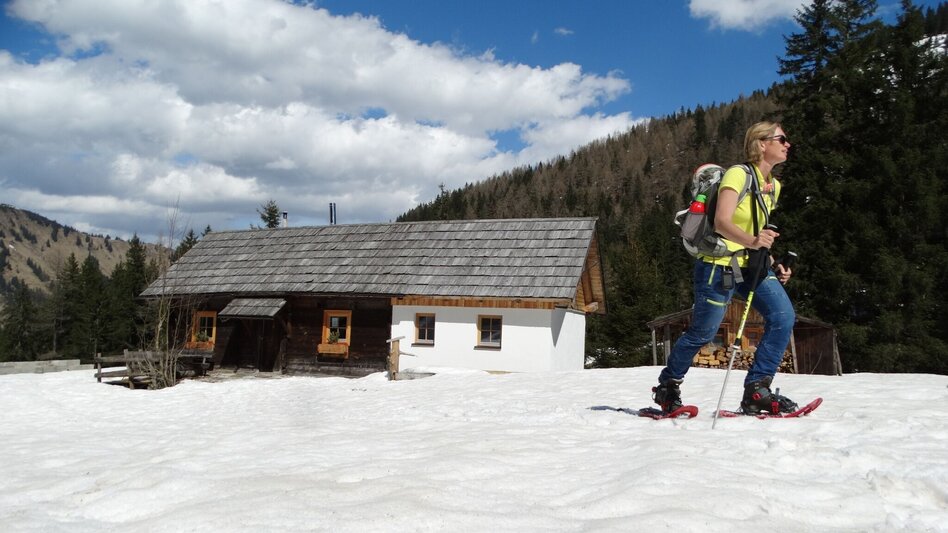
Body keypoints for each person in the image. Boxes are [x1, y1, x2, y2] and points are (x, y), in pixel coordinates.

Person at [653, 121, 797, 415]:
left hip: (752, 265)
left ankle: (757, 390)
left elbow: (757, 234)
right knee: (703, 333)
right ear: (761, 144)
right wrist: (756, 242)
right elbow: (722, 222)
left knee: (783, 316)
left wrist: (773, 261)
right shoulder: (737, 174)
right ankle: (668, 386)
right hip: (718, 265)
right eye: (781, 139)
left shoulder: (774, 187)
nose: (787, 144)